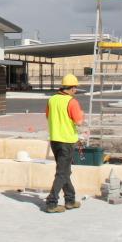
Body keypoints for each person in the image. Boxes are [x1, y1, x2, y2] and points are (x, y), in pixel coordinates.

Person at [45, 73, 84, 213]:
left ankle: (70, 200)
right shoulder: (72, 102)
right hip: (67, 141)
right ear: (72, 88)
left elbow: (47, 116)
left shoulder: (52, 99)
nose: (76, 91)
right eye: (75, 88)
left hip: (54, 140)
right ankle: (52, 202)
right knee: (62, 173)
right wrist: (81, 114)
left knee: (65, 171)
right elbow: (79, 121)